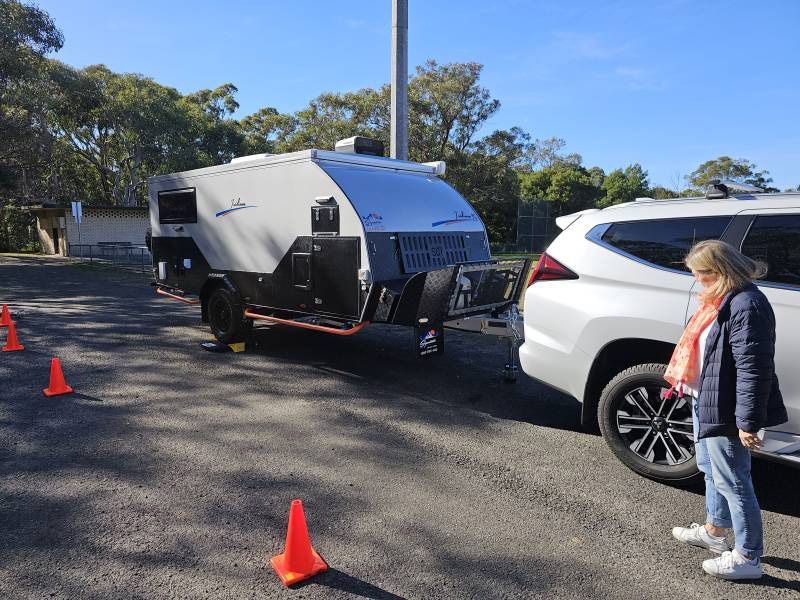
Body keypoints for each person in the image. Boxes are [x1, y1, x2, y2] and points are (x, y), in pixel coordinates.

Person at [668, 240, 787, 580]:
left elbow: (754, 369)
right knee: (710, 470)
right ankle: (715, 532)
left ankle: (748, 557)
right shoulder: (722, 300)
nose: (696, 282)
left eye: (700, 275)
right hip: (706, 399)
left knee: (734, 481)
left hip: (725, 408)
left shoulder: (747, 305)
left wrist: (748, 422)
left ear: (720, 272)